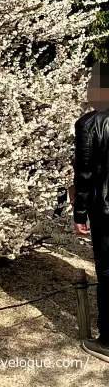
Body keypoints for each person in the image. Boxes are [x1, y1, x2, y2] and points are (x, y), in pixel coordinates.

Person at [73, 102, 109, 361]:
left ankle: (107, 341)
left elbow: (84, 173)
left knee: (107, 271)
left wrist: (80, 214)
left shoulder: (89, 124)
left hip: (106, 210)